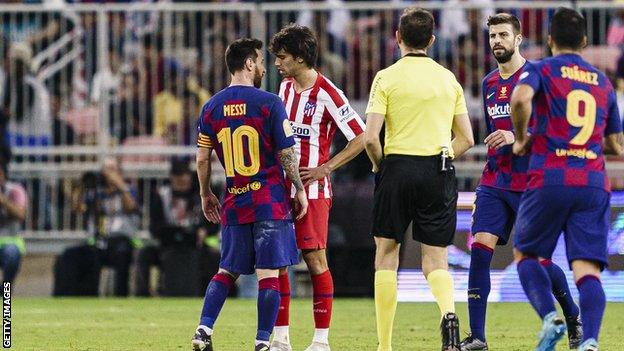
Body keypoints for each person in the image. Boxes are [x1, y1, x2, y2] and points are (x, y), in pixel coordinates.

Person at [461, 13, 581, 351]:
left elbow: (556, 130)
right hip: (495, 180)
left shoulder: (540, 77)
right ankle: (479, 337)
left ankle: (572, 315)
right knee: (479, 251)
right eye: (492, 36)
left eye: (503, 35)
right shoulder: (488, 84)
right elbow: (494, 132)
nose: (497, 40)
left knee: (537, 261)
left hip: (532, 182)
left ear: (519, 39)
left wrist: (514, 134)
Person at [511, 7, 624, 351]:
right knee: (587, 271)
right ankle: (589, 341)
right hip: (592, 182)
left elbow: (520, 99)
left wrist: (520, 138)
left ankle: (551, 317)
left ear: (549, 40)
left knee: (525, 255)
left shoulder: (540, 69)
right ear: (586, 41)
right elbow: (615, 143)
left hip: (550, 176)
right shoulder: (603, 82)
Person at [364, 8, 474, 351]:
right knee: (435, 259)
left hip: (396, 166)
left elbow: (369, 138)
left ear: (397, 37)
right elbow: (468, 138)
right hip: (437, 169)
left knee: (386, 254)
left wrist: (381, 165)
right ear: (431, 40)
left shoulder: (386, 77)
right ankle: (450, 315)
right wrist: (444, 156)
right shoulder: (448, 79)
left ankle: (385, 344)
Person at [191, 38, 308, 351]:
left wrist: (205, 194)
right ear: (248, 64)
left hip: (235, 199)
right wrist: (298, 187)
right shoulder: (269, 102)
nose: (263, 67)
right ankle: (261, 342)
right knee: (268, 273)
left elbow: (202, 159)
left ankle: (203, 330)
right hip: (269, 200)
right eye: (259, 61)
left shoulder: (211, 106)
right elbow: (286, 154)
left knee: (226, 270)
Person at [268, 24, 366, 351]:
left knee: (315, 261)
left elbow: (361, 136)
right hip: (281, 189)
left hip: (313, 191)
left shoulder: (327, 92)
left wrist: (326, 167)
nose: (277, 63)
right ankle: (281, 338)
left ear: (299, 57)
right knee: (278, 260)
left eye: (282, 57)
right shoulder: (283, 88)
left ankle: (321, 341)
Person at [135, 158, 216, 297]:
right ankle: (143, 295)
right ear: (171, 177)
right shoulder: (161, 195)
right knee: (144, 254)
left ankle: (211, 295)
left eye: (184, 175)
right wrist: (172, 234)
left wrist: (204, 231)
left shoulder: (201, 196)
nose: (181, 179)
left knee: (216, 257)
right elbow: (154, 227)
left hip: (195, 245)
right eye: (177, 175)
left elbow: (214, 223)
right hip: (167, 245)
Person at [0, 161, 27, 284]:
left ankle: (6, 296)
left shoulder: (15, 190)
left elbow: (21, 214)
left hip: (9, 242)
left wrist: (4, 201)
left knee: (11, 253)